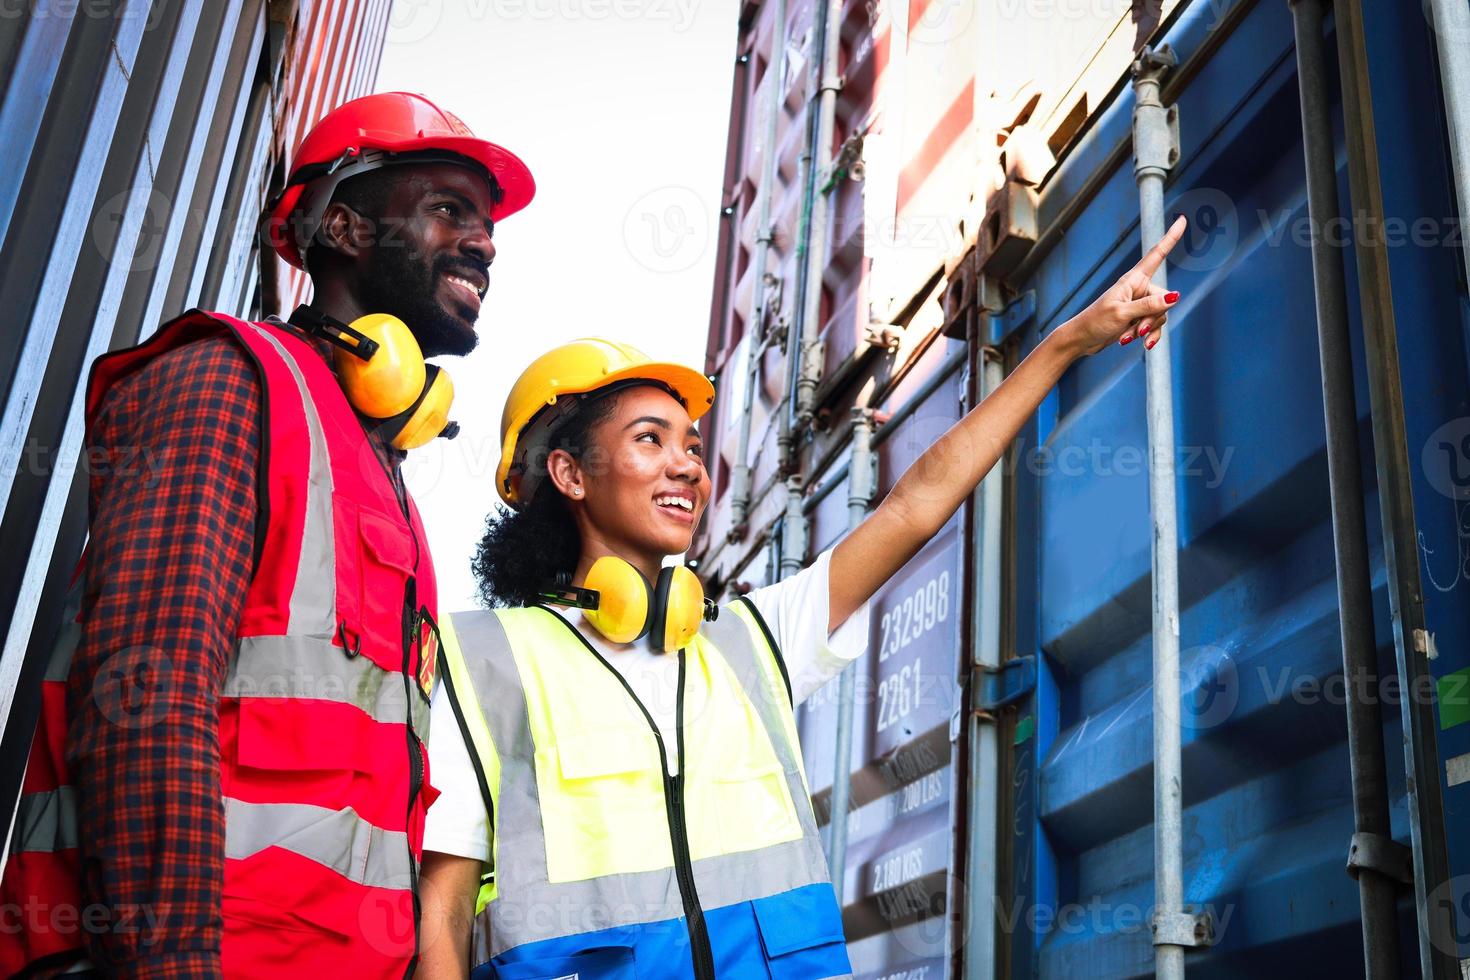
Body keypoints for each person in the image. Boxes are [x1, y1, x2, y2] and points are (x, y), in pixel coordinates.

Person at [418, 217, 1189, 980]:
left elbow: (915, 505)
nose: (688, 465)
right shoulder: (487, 664)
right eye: (650, 440)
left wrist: (1066, 342)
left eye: (693, 445)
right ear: (571, 474)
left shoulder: (750, 643)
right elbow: (443, 915)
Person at [0, 92, 534, 978]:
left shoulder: (379, 474)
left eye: (486, 226)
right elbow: (147, 690)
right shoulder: (228, 381)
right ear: (346, 230)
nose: (481, 243)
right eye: (448, 210)